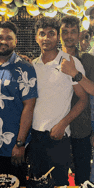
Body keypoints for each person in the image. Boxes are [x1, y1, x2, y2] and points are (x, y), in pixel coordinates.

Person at [29, 17, 88, 186]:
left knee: (58, 183)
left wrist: (63, 124)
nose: (46, 38)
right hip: (35, 135)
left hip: (58, 136)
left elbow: (83, 100)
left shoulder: (70, 62)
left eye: (51, 34)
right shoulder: (33, 65)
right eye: (42, 34)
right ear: (36, 38)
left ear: (57, 37)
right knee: (36, 182)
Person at [0, 21, 37, 186]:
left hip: (14, 146)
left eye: (9, 38)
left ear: (15, 42)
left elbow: (29, 107)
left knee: (16, 183)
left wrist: (20, 143)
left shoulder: (25, 68)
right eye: (0, 37)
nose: (3, 41)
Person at [60, 15, 94, 185]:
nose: (69, 36)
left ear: (79, 34)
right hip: (57, 128)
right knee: (58, 178)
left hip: (82, 128)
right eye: (65, 32)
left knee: (82, 179)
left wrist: (75, 73)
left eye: (73, 32)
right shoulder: (51, 59)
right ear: (60, 35)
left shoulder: (88, 60)